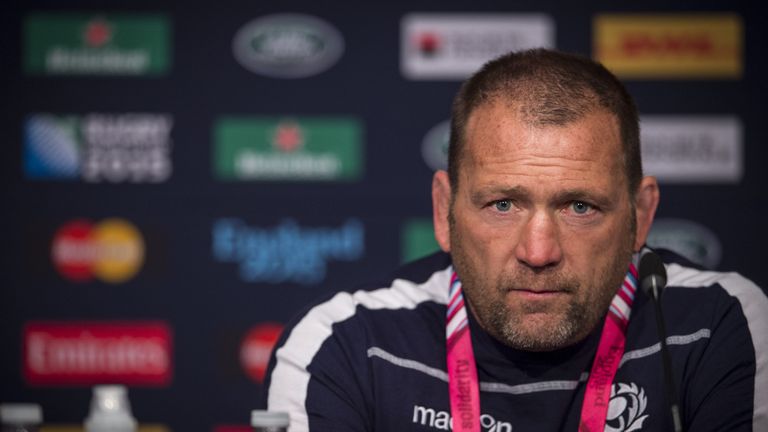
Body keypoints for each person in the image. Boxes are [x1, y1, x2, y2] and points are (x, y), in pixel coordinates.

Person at [263, 49, 768, 431]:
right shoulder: (346, 345)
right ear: (444, 211)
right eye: (503, 205)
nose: (539, 252)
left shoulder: (722, 323)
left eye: (579, 207)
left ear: (640, 215)